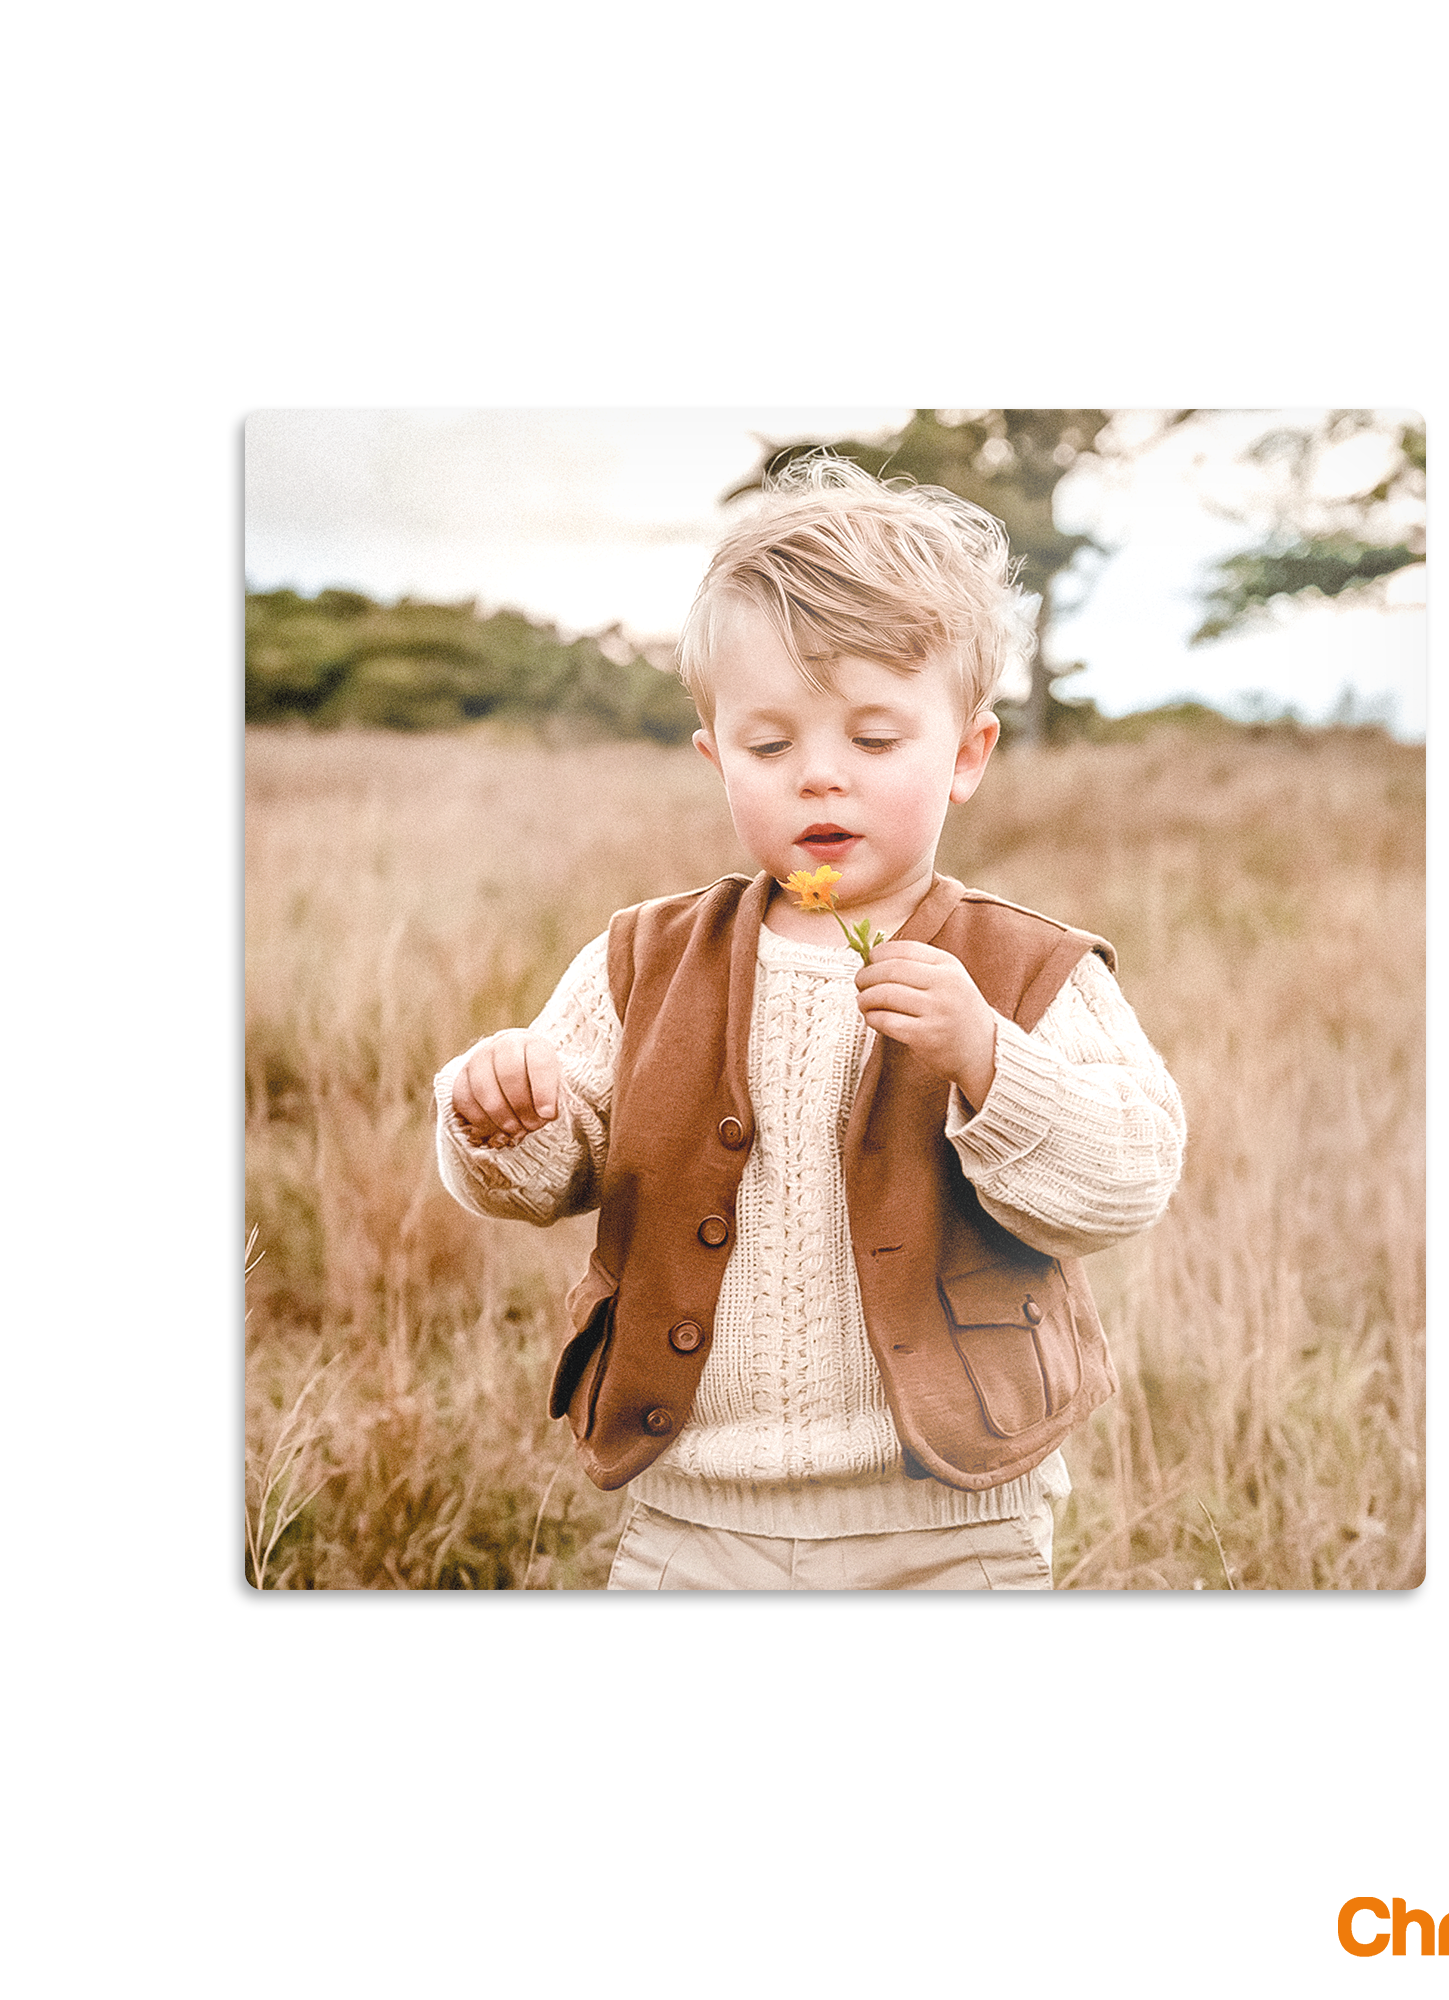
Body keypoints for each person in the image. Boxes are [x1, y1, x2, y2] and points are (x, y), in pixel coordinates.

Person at [434, 455, 1185, 1590]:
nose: (818, 780)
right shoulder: (643, 957)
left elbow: (1125, 1179)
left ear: (965, 754)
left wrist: (987, 1057)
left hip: (954, 1518)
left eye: (874, 741)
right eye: (769, 745)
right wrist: (503, 1113)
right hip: (692, 1515)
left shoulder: (1029, 967)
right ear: (714, 755)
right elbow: (552, 1169)